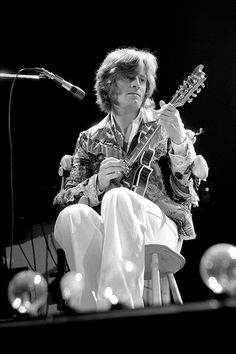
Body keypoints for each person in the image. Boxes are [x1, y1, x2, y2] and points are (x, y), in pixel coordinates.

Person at [53, 46, 209, 312]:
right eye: (129, 77)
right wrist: (97, 182)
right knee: (72, 217)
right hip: (109, 228)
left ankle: (122, 307)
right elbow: (64, 199)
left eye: (142, 79)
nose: (138, 83)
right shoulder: (89, 138)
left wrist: (179, 140)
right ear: (108, 84)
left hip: (159, 224)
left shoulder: (163, 125)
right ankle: (91, 311)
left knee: (118, 197)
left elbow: (185, 194)